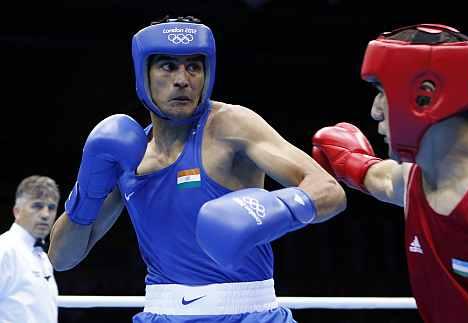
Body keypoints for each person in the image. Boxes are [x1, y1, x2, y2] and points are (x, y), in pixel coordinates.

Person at [48, 15, 346, 322]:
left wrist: (275, 208)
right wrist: (87, 192)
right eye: (168, 66)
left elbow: (328, 190)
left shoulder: (229, 125)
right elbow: (61, 258)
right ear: (143, 74)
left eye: (194, 66)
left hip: (248, 313)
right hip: (162, 313)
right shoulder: (126, 153)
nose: (183, 79)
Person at [312, 24, 468, 322]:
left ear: (426, 96)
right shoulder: (415, 176)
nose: (375, 111)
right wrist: (348, 160)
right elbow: (383, 180)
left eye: (382, 92)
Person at [0, 175, 60, 323]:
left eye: (51, 208)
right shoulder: (5, 249)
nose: (46, 214)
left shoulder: (42, 258)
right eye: (37, 206)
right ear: (17, 211)